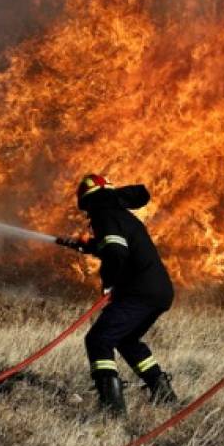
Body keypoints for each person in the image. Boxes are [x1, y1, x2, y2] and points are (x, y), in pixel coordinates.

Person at [56, 173, 178, 415]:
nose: (88, 215)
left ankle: (112, 409)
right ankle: (163, 393)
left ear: (89, 201)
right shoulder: (119, 213)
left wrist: (110, 283)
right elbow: (115, 246)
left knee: (98, 340)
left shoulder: (104, 213)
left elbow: (115, 251)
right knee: (127, 340)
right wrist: (86, 245)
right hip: (159, 292)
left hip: (139, 291)